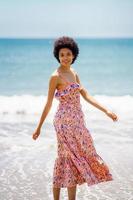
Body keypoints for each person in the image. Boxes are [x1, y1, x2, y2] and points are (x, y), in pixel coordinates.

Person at [32, 36, 118, 200]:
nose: (65, 57)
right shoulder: (55, 76)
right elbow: (49, 103)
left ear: (74, 55)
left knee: (77, 156)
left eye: (68, 54)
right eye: (62, 54)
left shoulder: (74, 72)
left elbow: (85, 94)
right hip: (63, 123)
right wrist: (39, 127)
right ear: (57, 55)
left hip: (78, 121)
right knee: (67, 158)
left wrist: (106, 110)